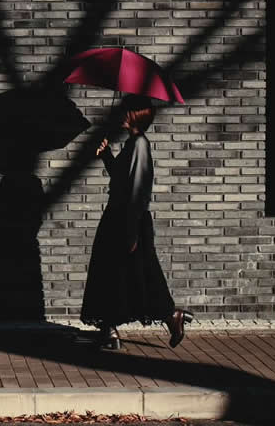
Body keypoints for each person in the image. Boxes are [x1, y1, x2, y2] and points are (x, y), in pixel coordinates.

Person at [79, 97, 193, 350]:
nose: (121, 114)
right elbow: (121, 178)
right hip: (120, 216)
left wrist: (131, 230)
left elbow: (139, 190)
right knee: (118, 274)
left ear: (135, 116)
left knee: (132, 274)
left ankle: (159, 318)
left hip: (129, 219)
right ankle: (112, 330)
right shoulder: (132, 143)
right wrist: (107, 154)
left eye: (126, 111)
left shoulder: (140, 144)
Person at [0, 146, 46, 323]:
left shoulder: (20, 183)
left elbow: (23, 214)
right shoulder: (29, 182)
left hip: (15, 244)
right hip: (19, 245)